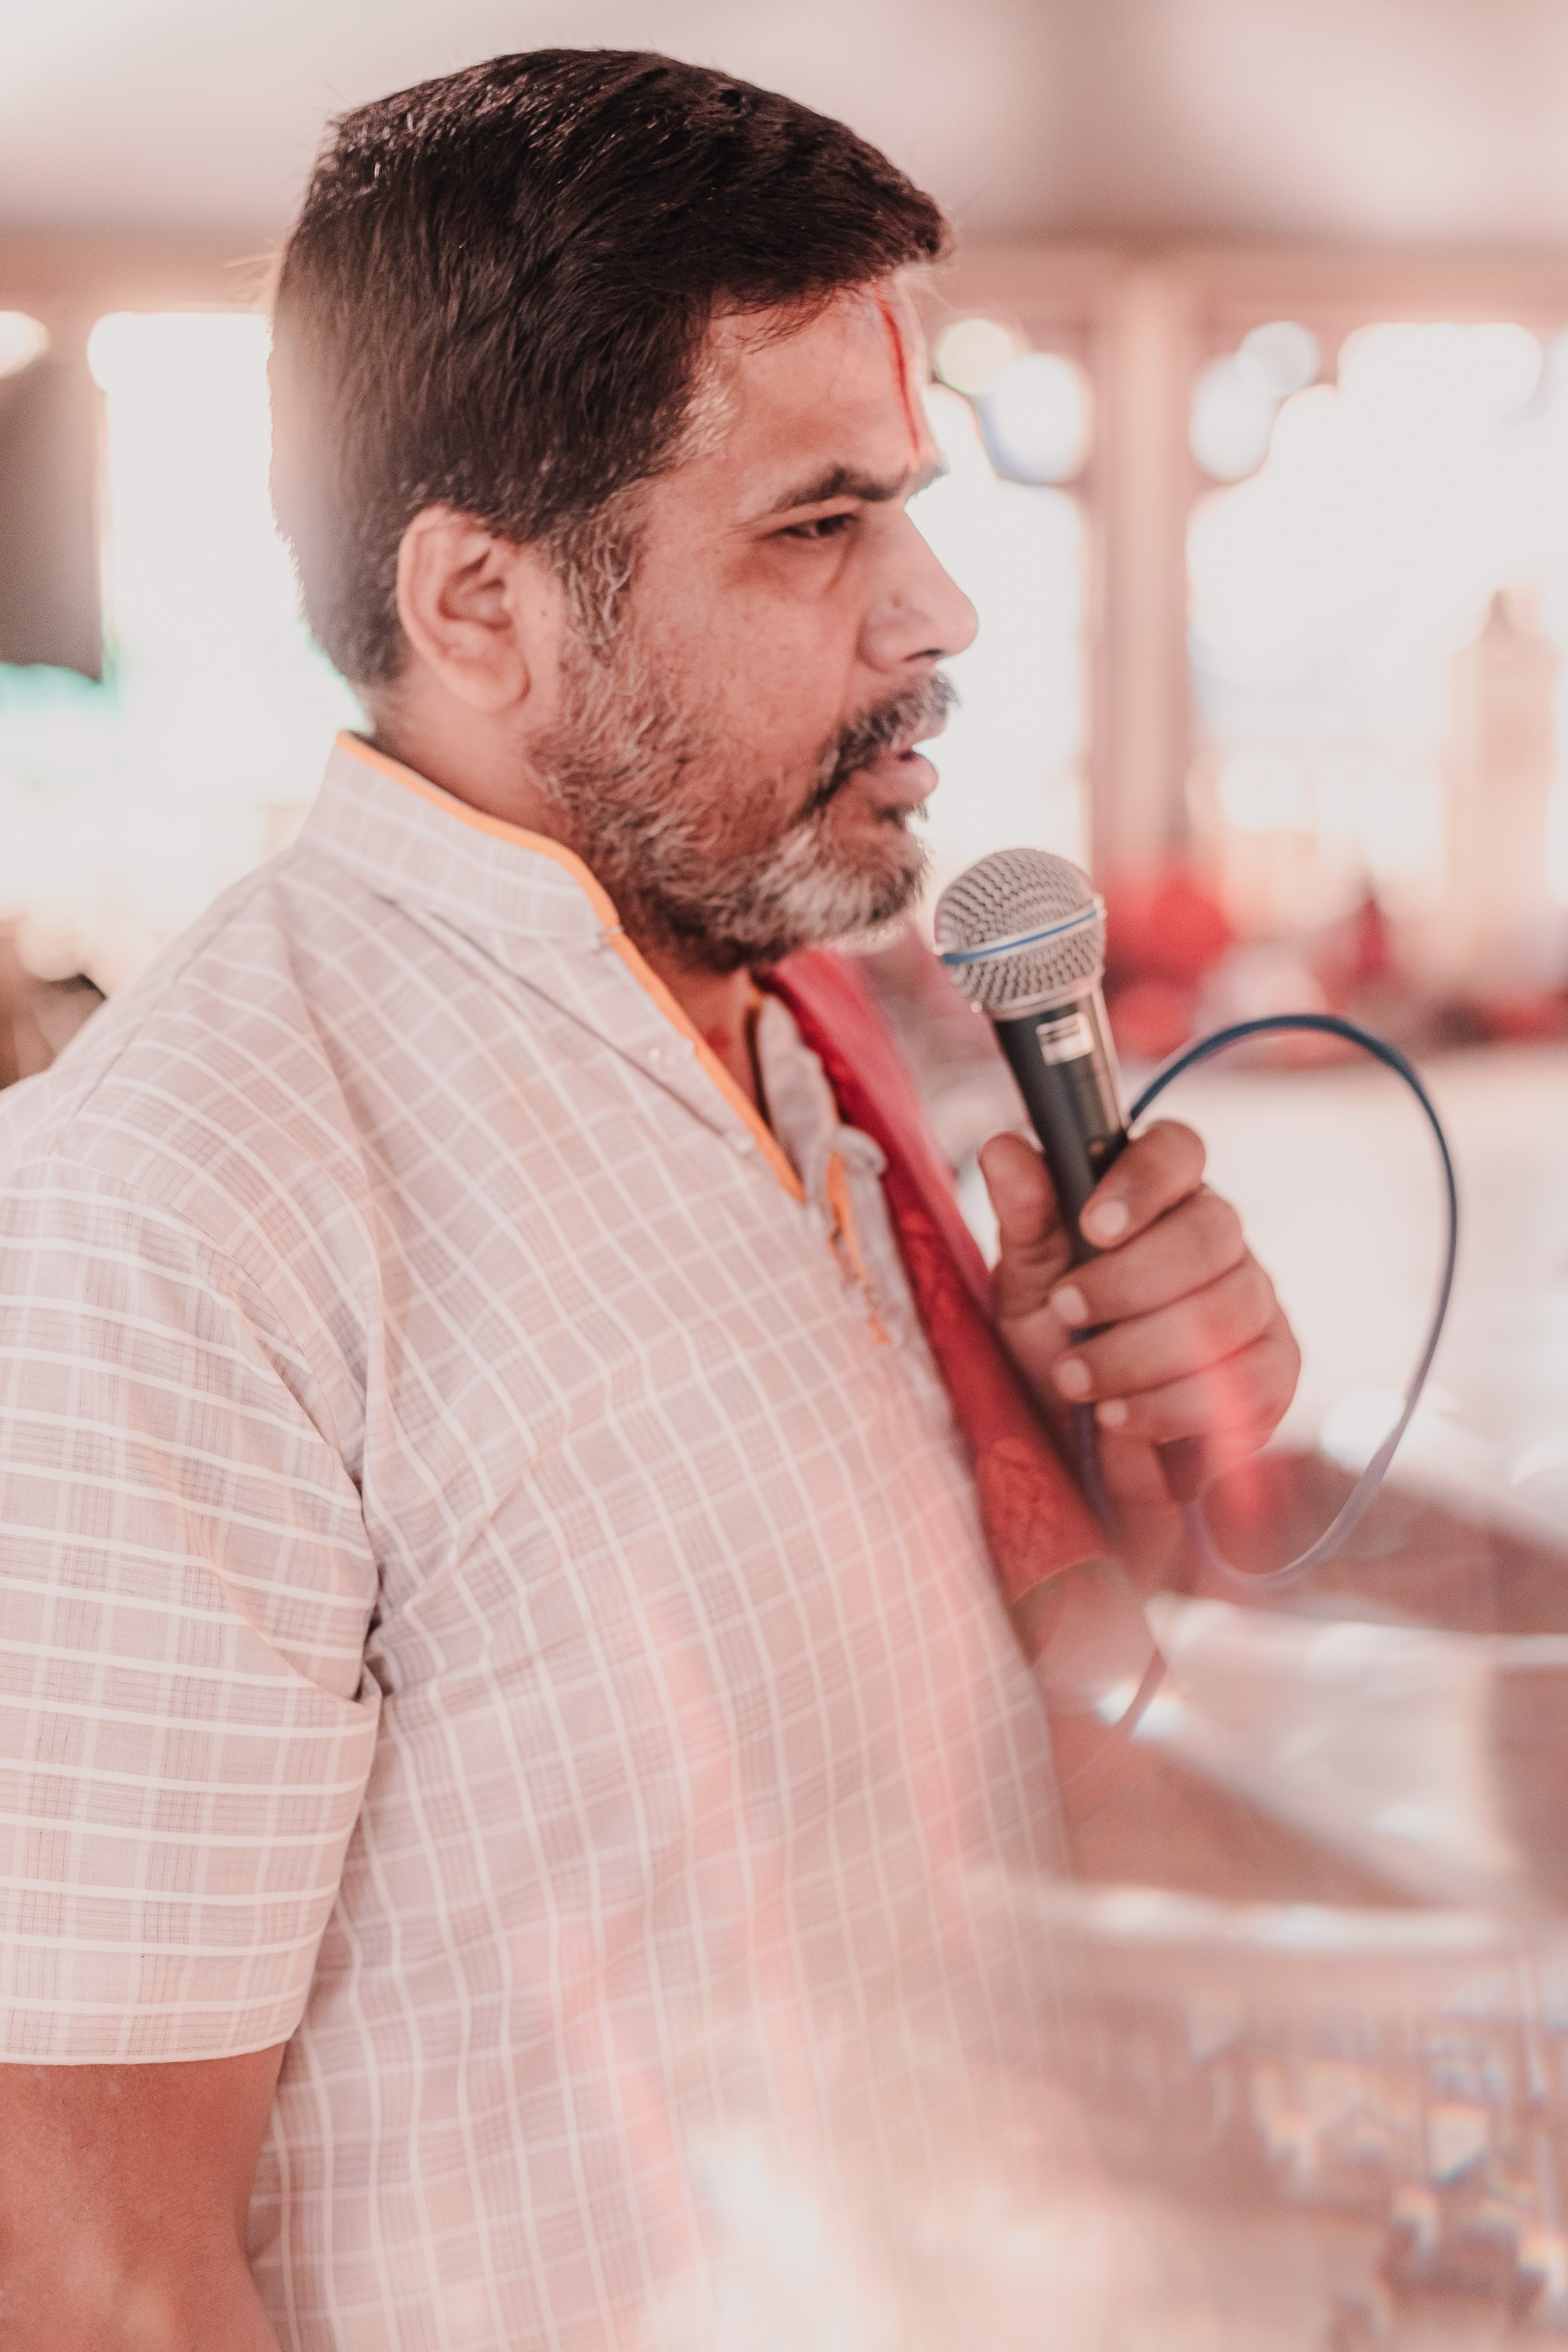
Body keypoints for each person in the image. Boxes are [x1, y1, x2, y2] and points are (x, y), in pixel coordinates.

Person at [0, 50, 1299, 2351]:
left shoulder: (810, 1033)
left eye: (908, 500)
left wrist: (1148, 1460)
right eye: (816, 526)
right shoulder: (183, 1210)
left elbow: (1025, 1771)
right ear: (483, 603)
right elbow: (87, 2263)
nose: (935, 610)